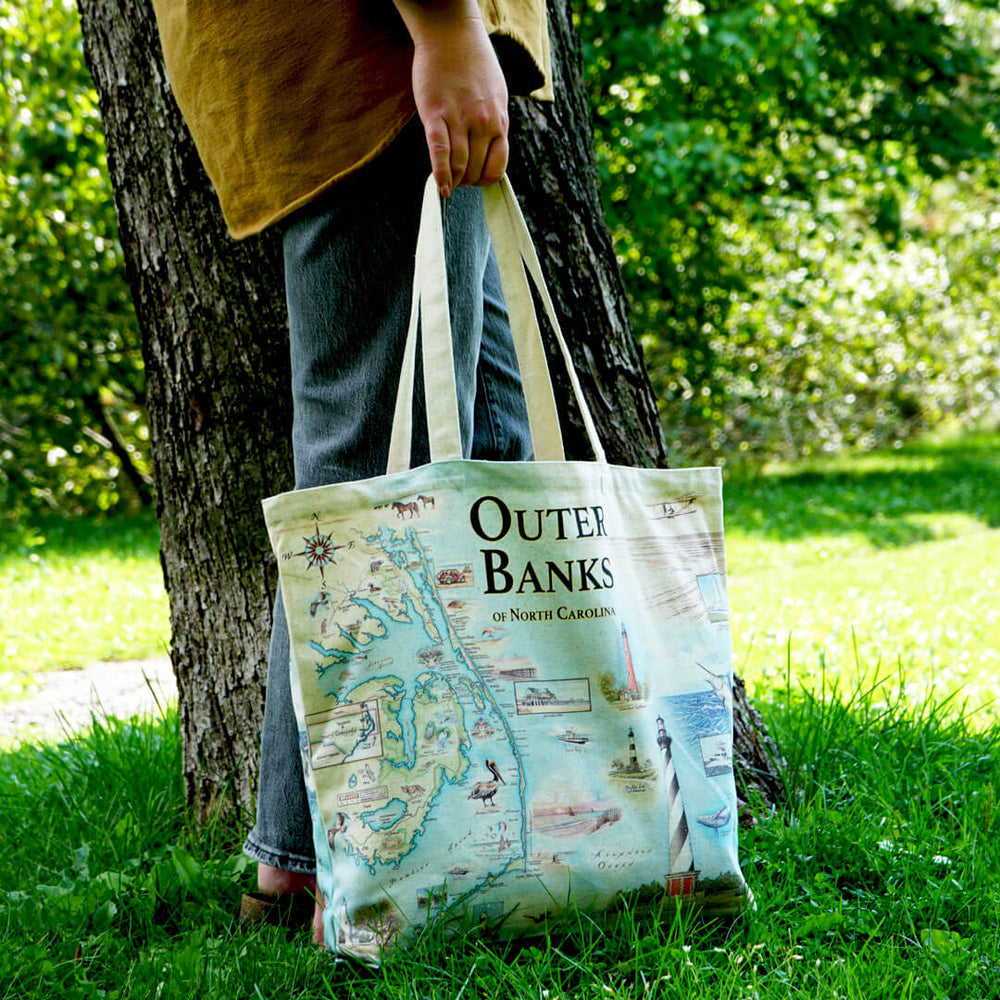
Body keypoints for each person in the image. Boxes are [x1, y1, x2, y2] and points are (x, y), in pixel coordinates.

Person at [150, 0, 552, 941]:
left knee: (487, 452)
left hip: (364, 61)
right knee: (368, 491)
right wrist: (447, 29)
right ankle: (314, 867)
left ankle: (343, 856)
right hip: (380, 58)